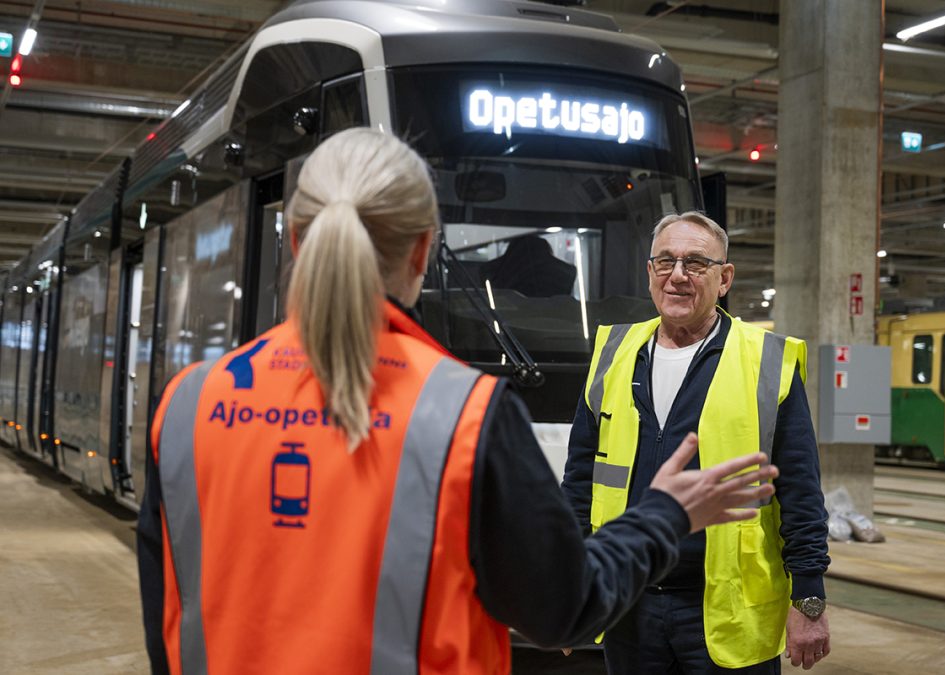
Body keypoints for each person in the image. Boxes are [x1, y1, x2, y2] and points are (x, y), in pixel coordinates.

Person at [136, 129, 779, 675]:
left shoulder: (190, 405)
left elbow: (167, 612)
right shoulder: (462, 414)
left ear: (297, 241)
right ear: (421, 251)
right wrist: (665, 515)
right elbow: (562, 609)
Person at [561, 212, 831, 674]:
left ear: (724, 278)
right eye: (665, 262)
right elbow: (580, 483)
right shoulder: (614, 355)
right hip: (629, 602)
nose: (678, 276)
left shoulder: (765, 361)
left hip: (728, 608)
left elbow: (801, 492)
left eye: (696, 263)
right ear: (650, 273)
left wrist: (809, 598)